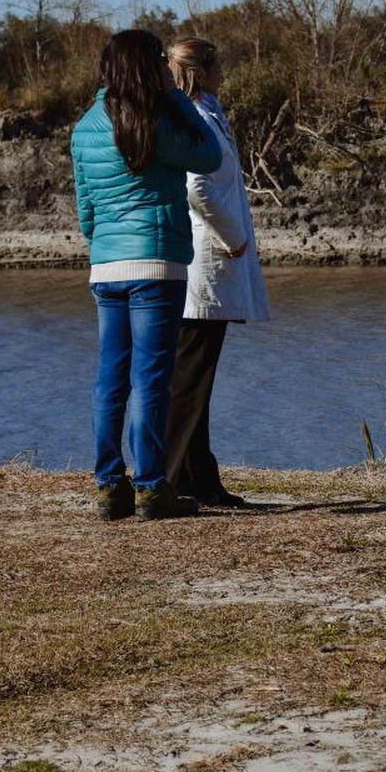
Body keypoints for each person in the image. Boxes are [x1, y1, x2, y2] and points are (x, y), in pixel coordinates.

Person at [72, 29, 221, 522]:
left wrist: (102, 250)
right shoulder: (156, 119)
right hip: (157, 263)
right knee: (151, 378)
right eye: (159, 61)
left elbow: (86, 208)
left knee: (109, 379)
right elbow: (209, 153)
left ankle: (109, 486)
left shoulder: (85, 127)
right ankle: (153, 487)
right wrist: (178, 95)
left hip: (107, 265)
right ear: (148, 66)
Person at [162, 37, 270, 507]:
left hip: (215, 255)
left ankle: (200, 479)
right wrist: (233, 237)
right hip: (206, 257)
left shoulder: (207, 112)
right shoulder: (194, 116)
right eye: (220, 61)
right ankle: (170, 481)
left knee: (196, 377)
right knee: (190, 377)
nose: (225, 68)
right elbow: (198, 188)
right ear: (202, 70)